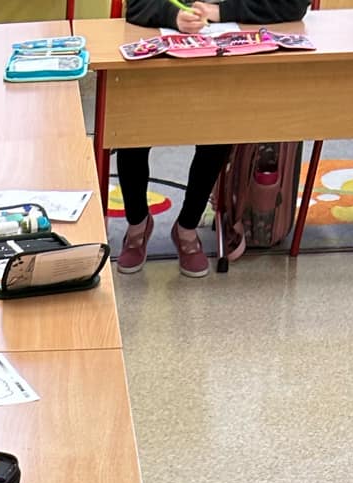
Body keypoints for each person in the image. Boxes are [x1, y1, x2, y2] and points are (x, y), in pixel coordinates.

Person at [116, 0, 307, 276]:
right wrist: (174, 16)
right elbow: (136, 6)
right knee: (130, 130)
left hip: (221, 62)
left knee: (218, 132)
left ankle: (187, 226)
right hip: (157, 59)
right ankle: (137, 224)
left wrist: (221, 11)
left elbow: (293, 6)